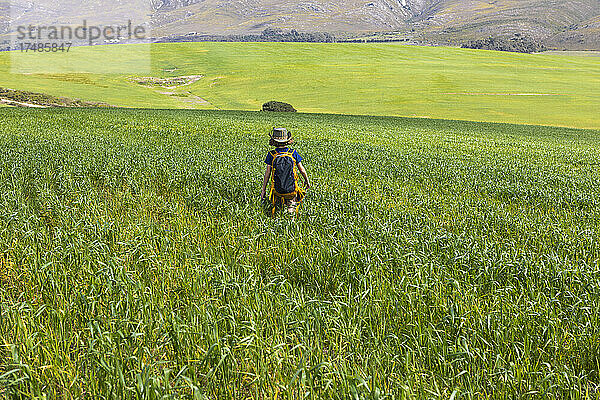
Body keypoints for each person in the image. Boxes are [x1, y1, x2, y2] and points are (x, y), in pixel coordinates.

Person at [261, 128, 310, 215]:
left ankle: (276, 221)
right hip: (291, 188)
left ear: (274, 141)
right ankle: (291, 221)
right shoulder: (293, 153)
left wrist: (263, 190)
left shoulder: (271, 154)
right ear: (287, 140)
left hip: (277, 189)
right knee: (291, 205)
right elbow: (302, 170)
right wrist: (307, 181)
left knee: (277, 207)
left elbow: (267, 173)